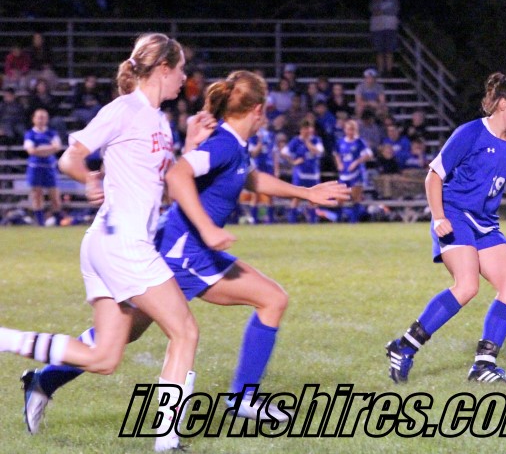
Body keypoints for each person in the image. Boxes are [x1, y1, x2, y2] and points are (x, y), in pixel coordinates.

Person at [20, 70, 350, 430]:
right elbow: (177, 175)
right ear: (258, 109)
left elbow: (251, 177)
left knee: (124, 332)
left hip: (187, 249)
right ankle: (235, 401)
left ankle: (43, 381)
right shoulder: (223, 144)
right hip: (184, 252)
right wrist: (207, 228)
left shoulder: (233, 145)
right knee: (268, 300)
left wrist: (306, 193)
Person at [2, 33, 203, 452]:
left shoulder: (159, 121)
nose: (185, 78)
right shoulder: (125, 109)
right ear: (163, 68)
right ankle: (167, 440)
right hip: (122, 243)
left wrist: (192, 147)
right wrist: (89, 177)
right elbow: (70, 157)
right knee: (184, 330)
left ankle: (7, 342)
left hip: (110, 242)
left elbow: (163, 183)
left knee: (105, 357)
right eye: (181, 69)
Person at [385, 72, 506, 384]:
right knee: (467, 286)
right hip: (454, 215)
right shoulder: (470, 133)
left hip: (486, 223)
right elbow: (434, 176)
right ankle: (404, 347)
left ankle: (483, 364)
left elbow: (498, 187)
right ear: (503, 104)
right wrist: (439, 217)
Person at [23, 108, 63, 226]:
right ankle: (40, 223)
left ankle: (58, 222)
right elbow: (31, 151)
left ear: (47, 120)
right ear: (34, 119)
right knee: (37, 195)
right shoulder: (30, 134)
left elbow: (57, 147)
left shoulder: (52, 133)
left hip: (50, 167)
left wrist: (39, 149)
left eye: (43, 118)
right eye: (39, 117)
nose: (41, 120)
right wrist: (49, 148)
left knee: (54, 195)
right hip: (35, 167)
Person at [281, 118, 325, 223]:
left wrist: (307, 142)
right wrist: (293, 162)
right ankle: (292, 221)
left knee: (313, 198)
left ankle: (313, 222)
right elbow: (283, 152)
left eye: (308, 128)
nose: (307, 131)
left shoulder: (316, 140)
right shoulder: (296, 141)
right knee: (297, 197)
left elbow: (319, 152)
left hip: (313, 174)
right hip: (300, 174)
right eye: (305, 128)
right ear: (301, 129)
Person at [333, 119, 373, 222]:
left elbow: (369, 154)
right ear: (345, 130)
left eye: (352, 129)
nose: (350, 132)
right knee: (339, 198)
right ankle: (338, 220)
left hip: (357, 173)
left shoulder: (359, 142)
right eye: (348, 129)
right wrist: (339, 164)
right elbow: (336, 154)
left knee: (355, 198)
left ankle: (354, 221)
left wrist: (356, 162)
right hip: (344, 173)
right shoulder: (341, 142)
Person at [369, 0, 400, 76]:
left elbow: (395, 10)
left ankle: (389, 71)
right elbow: (372, 10)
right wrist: (378, 1)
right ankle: (381, 70)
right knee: (379, 50)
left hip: (390, 26)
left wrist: (382, 12)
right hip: (377, 27)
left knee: (389, 50)